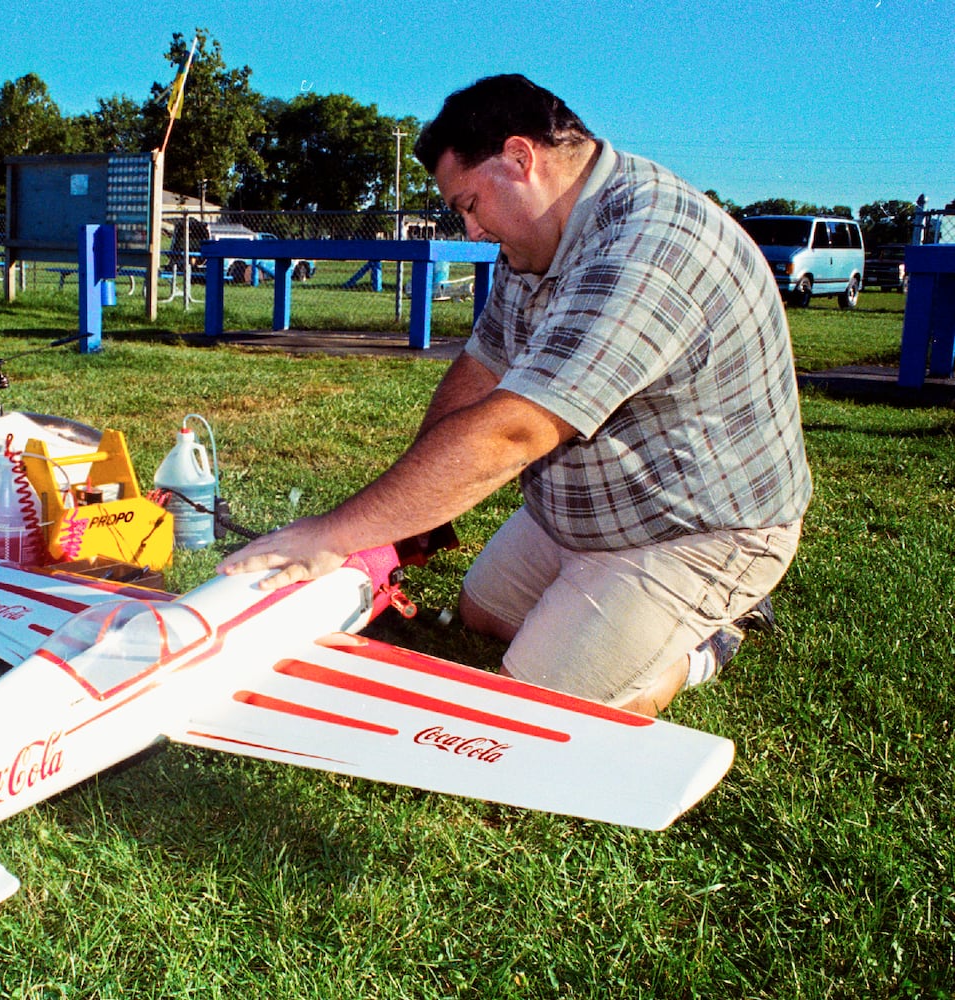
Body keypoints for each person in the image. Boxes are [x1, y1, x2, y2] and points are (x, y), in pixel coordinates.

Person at [217, 74, 810, 717]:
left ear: (520, 159)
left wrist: (332, 534)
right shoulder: (537, 242)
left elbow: (513, 430)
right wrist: (408, 522)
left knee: (534, 702)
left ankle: (709, 638)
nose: (470, 230)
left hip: (693, 528)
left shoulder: (649, 244)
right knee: (480, 614)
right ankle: (614, 605)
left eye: (469, 203)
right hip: (588, 510)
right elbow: (482, 367)